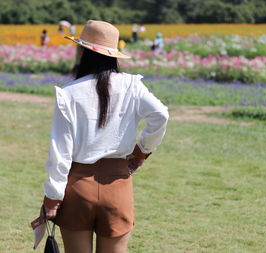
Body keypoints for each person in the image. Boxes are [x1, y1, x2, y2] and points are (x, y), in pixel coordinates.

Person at [40, 20, 169, 253]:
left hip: (77, 187)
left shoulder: (68, 93)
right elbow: (161, 115)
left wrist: (52, 197)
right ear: (114, 55)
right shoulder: (132, 86)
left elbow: (60, 152)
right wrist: (141, 151)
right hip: (117, 184)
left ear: (83, 51)